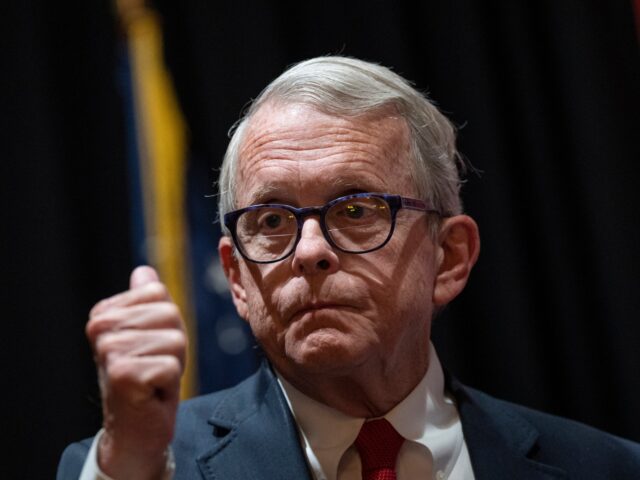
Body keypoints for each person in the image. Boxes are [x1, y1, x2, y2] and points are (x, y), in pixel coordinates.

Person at [58, 56, 640, 480]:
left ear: (450, 257)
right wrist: (131, 462)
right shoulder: (135, 464)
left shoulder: (606, 468)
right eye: (271, 220)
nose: (310, 250)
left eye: (356, 209)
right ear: (237, 279)